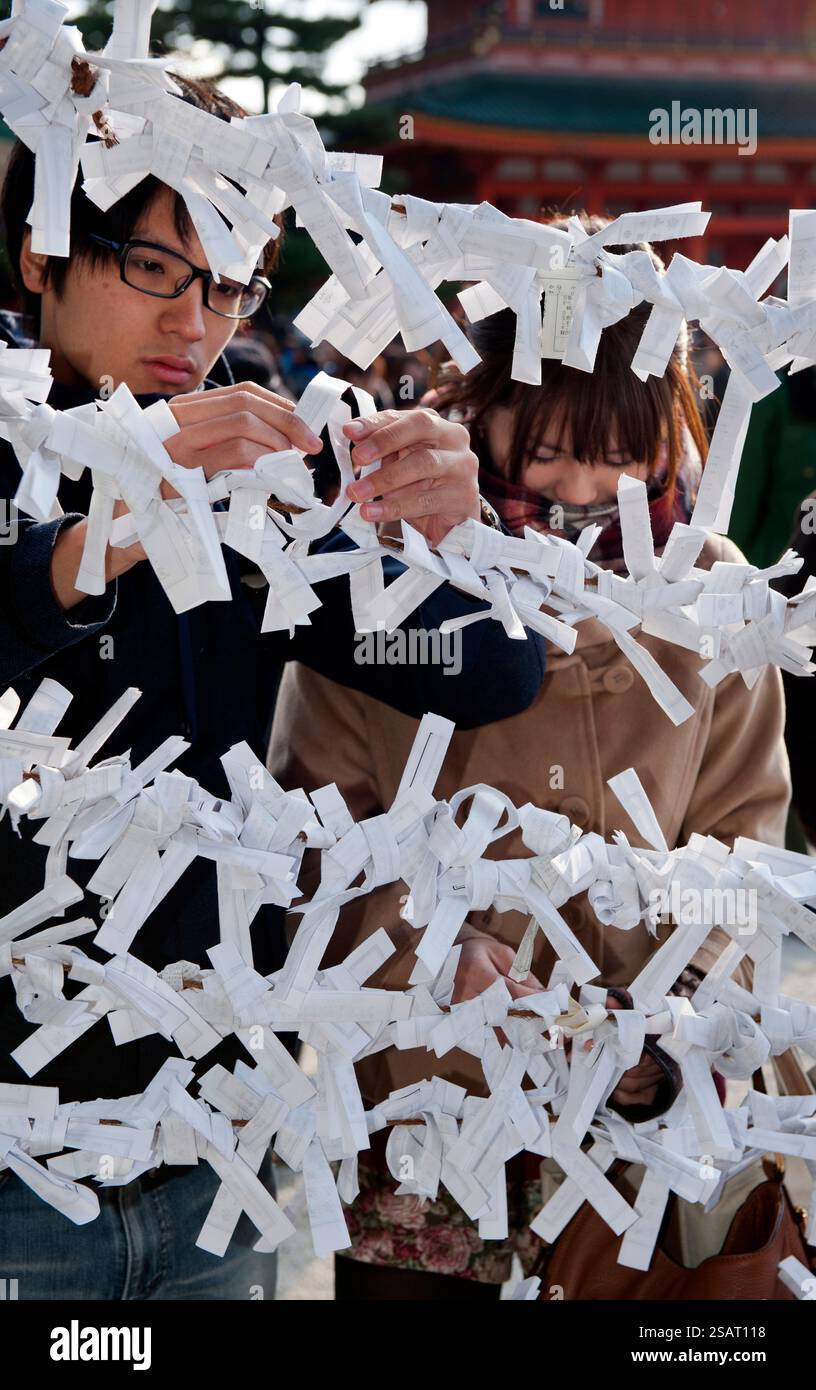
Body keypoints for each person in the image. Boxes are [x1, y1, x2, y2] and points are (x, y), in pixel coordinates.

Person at [0, 75, 548, 1301]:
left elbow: (488, 676)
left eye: (231, 283)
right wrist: (107, 529)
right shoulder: (12, 433)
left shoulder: (248, 459)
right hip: (17, 1161)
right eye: (155, 266)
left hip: (212, 1151)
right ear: (43, 250)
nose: (195, 323)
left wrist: (454, 537)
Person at [268, 216, 791, 1300]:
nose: (584, 495)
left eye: (616, 457)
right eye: (545, 451)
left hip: (629, 1133)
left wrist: (678, 1018)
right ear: (483, 411)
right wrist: (428, 952)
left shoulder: (712, 590)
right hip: (427, 1115)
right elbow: (315, 821)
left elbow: (747, 839)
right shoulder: (387, 581)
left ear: (668, 430)